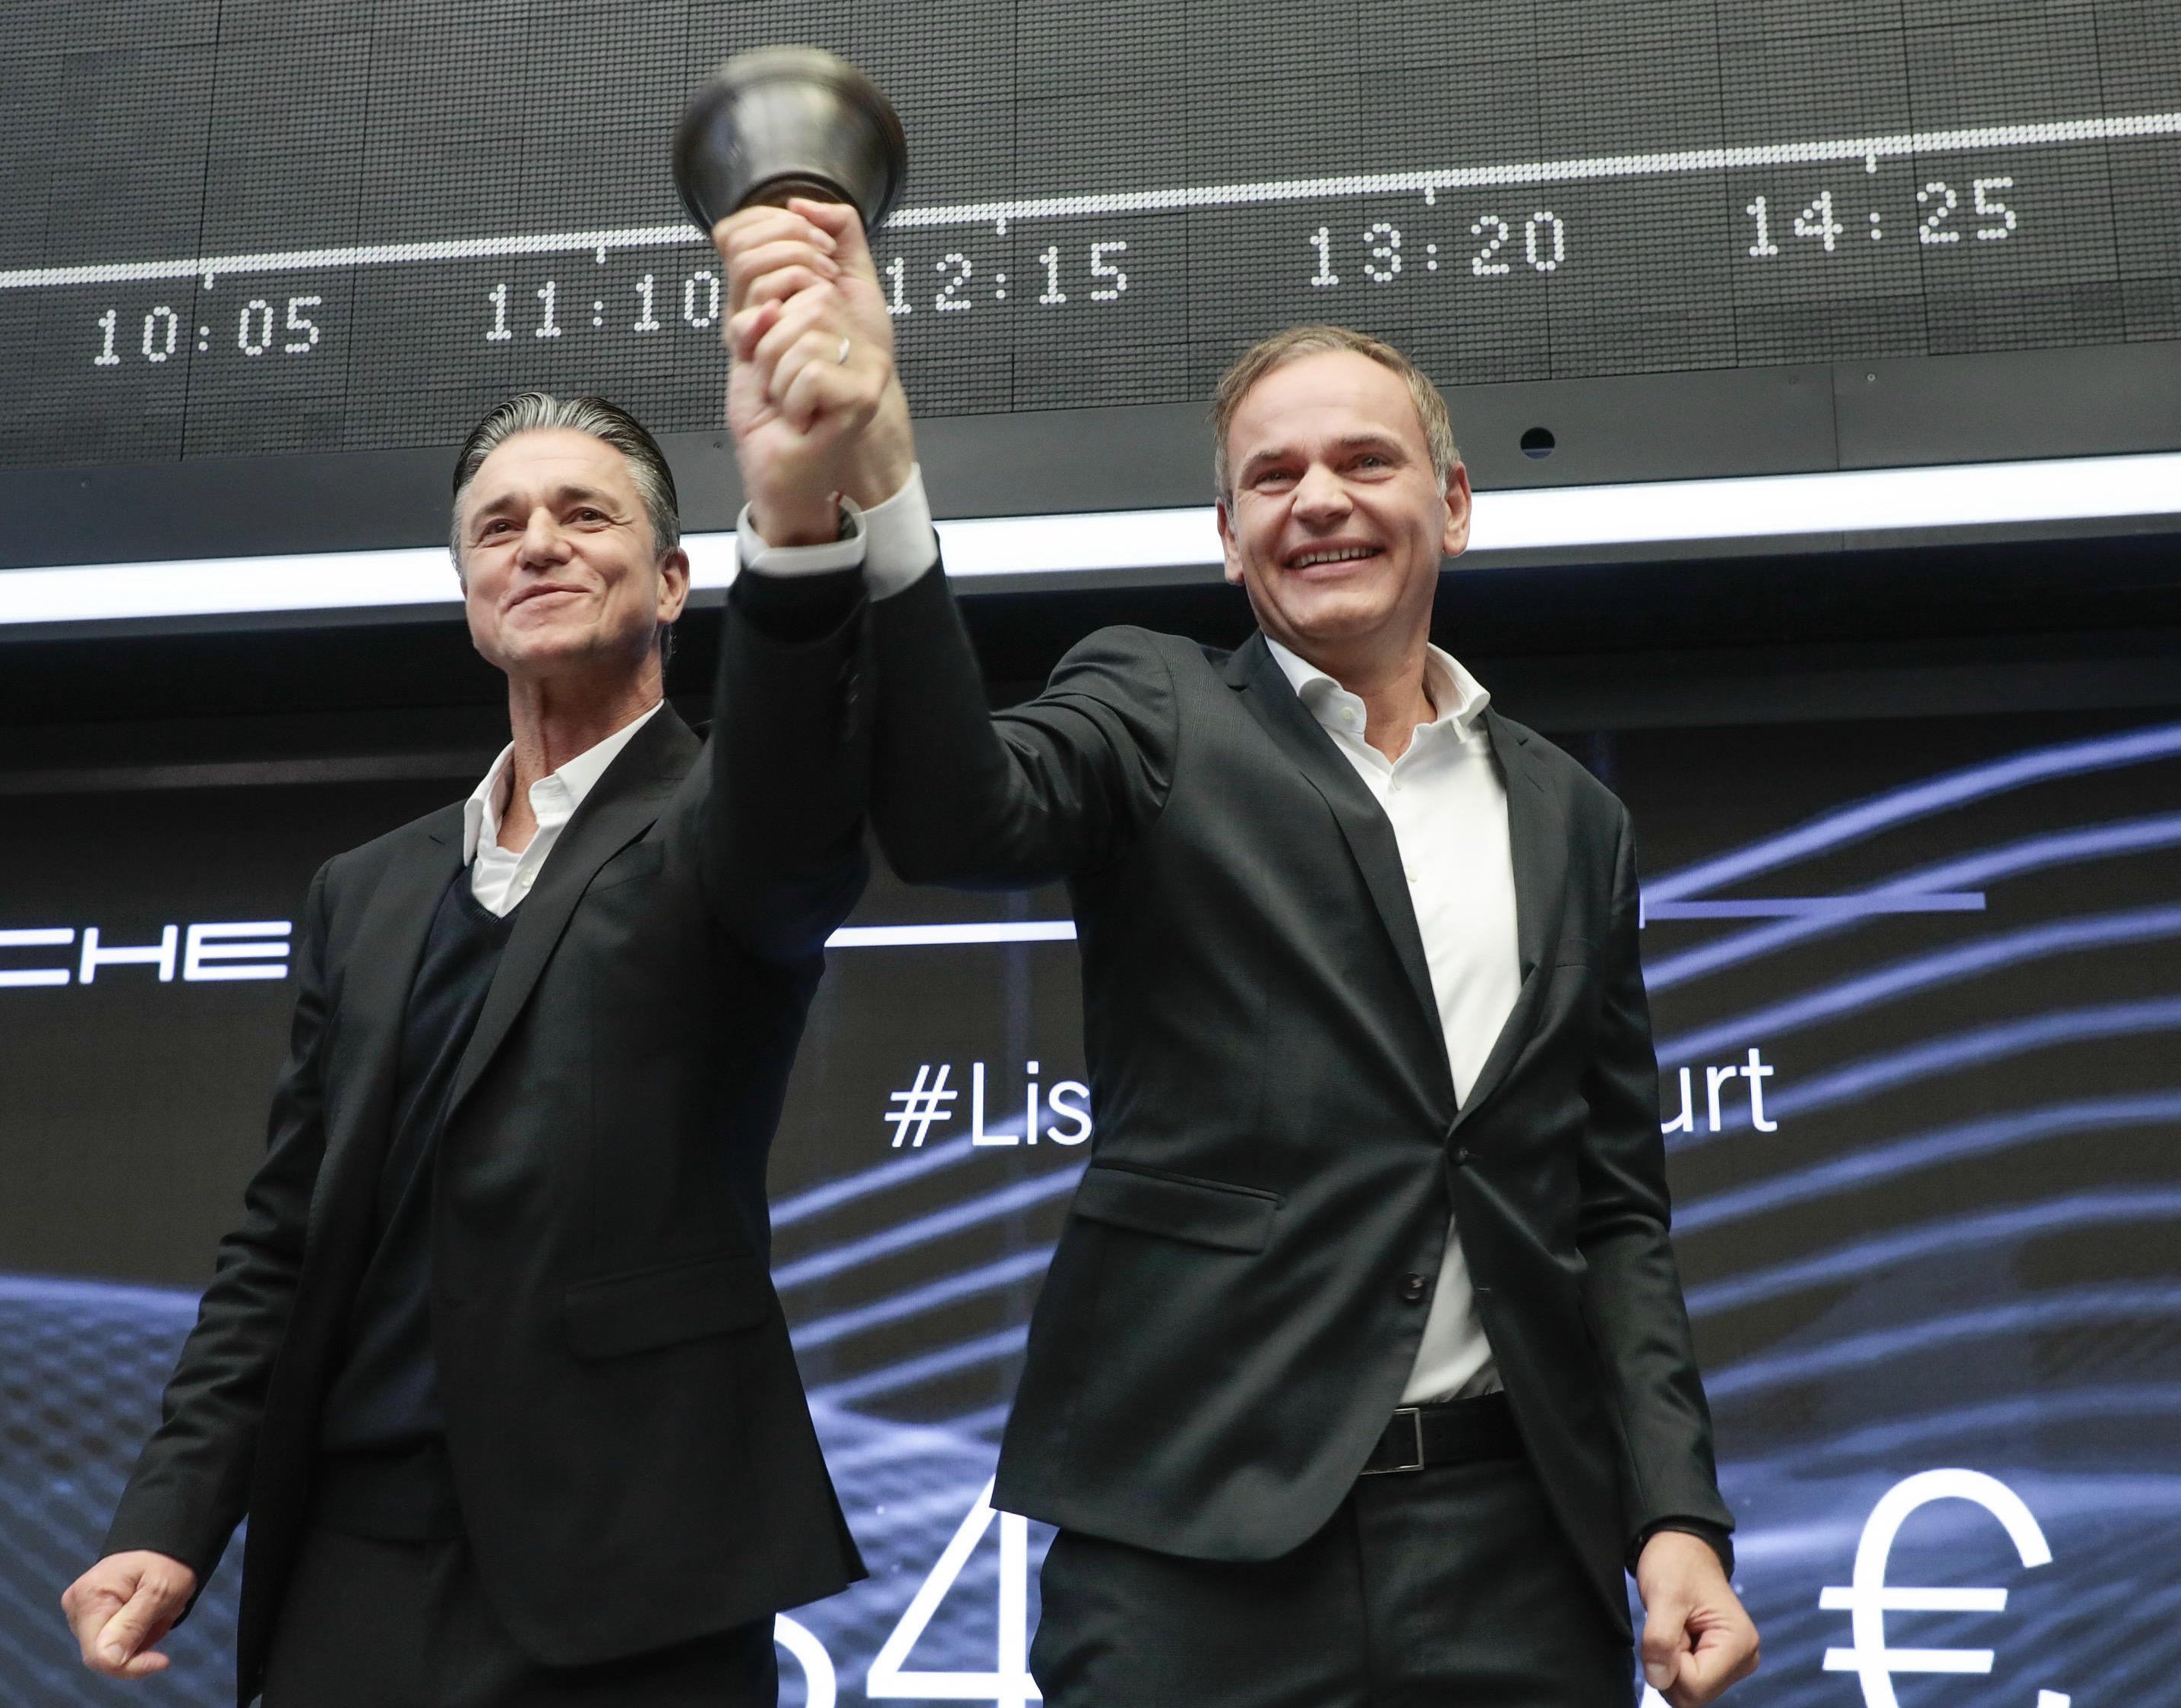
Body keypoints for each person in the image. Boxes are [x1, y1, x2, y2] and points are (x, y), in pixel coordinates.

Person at [724, 200, 1757, 1708]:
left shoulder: (1571, 816)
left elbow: (1610, 1210)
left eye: (1362, 462)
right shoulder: (1149, 709)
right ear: (1225, 540)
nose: (1314, 501)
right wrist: (878, 468)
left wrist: (1672, 1520)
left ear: (1454, 506)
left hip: (1514, 1552)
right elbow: (955, 814)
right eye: (1269, 477)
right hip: (1188, 1549)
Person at [59, 226, 902, 1706]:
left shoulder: (726, 821)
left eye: (584, 515)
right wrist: (173, 1518)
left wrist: (798, 514)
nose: (537, 541)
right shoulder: (366, 891)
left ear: (672, 581)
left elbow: (794, 778)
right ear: (466, 586)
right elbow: (281, 1242)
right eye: (500, 524)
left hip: (633, 1581)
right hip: (357, 1576)